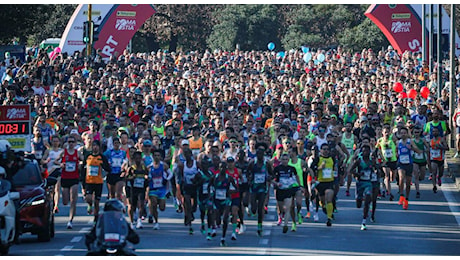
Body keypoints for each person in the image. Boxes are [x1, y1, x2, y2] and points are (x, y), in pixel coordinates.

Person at [348, 144, 378, 230]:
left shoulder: (372, 161)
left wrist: (376, 171)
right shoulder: (359, 161)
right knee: (358, 204)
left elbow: (376, 169)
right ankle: (358, 198)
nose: (366, 153)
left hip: (368, 183)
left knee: (368, 198)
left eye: (367, 151)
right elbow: (351, 171)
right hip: (360, 183)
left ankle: (364, 221)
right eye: (364, 151)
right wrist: (358, 174)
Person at [57, 135, 83, 229]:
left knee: (73, 200)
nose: (71, 144)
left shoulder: (77, 152)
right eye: (69, 142)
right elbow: (56, 161)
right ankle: (70, 217)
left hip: (74, 178)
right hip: (65, 177)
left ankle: (70, 220)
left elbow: (83, 160)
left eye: (72, 142)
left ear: (75, 143)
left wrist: (80, 163)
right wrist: (61, 164)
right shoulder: (64, 152)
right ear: (67, 143)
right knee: (65, 201)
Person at [248, 142, 273, 236]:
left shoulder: (266, 163)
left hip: (263, 188)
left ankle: (259, 226)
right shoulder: (252, 163)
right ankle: (253, 211)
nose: (259, 156)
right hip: (254, 188)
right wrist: (249, 180)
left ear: (263, 154)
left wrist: (270, 178)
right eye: (258, 154)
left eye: (261, 154)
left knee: (260, 208)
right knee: (254, 208)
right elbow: (247, 172)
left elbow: (272, 173)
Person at [83, 140, 111, 223]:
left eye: (96, 146)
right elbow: (83, 169)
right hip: (89, 181)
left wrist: (103, 167)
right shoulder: (88, 156)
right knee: (88, 198)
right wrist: (82, 181)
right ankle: (89, 205)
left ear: (99, 147)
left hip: (99, 182)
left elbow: (108, 168)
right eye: (93, 146)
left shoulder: (102, 157)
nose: (95, 147)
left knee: (97, 201)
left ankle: (96, 216)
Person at [211, 161, 237, 247]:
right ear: (219, 168)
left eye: (224, 167)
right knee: (218, 219)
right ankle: (216, 226)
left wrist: (230, 191)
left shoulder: (229, 178)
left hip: (226, 200)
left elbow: (236, 189)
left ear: (226, 169)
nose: (222, 169)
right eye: (221, 167)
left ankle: (223, 237)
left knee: (225, 219)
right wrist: (211, 194)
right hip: (217, 200)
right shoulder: (215, 177)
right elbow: (209, 187)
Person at [272, 153, 300, 233]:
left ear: (288, 160)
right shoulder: (277, 168)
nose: (285, 161)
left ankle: (285, 225)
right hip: (280, 190)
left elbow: (296, 176)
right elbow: (272, 179)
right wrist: (276, 183)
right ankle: (281, 215)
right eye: (283, 159)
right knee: (281, 209)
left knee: (288, 208)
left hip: (288, 190)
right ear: (280, 160)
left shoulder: (292, 168)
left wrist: (299, 185)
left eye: (286, 160)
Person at [310, 143, 335, 226]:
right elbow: (311, 168)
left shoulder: (332, 158)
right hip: (320, 183)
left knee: (329, 198)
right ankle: (325, 208)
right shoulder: (317, 159)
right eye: (324, 149)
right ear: (320, 150)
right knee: (323, 201)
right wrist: (319, 168)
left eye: (327, 149)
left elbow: (336, 168)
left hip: (330, 182)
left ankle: (329, 218)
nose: (326, 151)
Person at [396, 127, 421, 210]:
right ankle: (401, 195)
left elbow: (418, 151)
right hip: (401, 163)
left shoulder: (410, 142)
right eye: (401, 133)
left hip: (409, 163)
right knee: (401, 178)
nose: (403, 134)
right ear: (399, 134)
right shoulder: (397, 142)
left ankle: (406, 199)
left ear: (407, 134)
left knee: (408, 183)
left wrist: (412, 148)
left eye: (404, 133)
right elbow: (395, 152)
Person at [147, 149, 173, 230]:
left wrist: (167, 179)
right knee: (154, 203)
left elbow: (171, 173)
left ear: (160, 157)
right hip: (153, 189)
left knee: (162, 208)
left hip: (162, 189)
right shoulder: (149, 167)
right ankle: (156, 222)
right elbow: (146, 176)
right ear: (153, 156)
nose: (157, 157)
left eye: (158, 156)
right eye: (155, 155)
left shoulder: (164, 165)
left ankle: (153, 208)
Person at [178, 147, 200, 234]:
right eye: (185, 154)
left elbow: (201, 173)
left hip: (194, 186)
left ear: (191, 155)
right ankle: (188, 216)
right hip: (186, 186)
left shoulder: (196, 164)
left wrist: (197, 179)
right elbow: (180, 176)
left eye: (188, 154)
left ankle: (190, 214)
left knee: (194, 206)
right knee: (187, 202)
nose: (187, 156)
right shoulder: (182, 165)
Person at [125, 151, 149, 229]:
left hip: (141, 188)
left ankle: (139, 220)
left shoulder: (143, 167)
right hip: (133, 189)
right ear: (134, 159)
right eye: (136, 158)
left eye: (139, 158)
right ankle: (132, 222)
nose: (138, 160)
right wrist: (132, 177)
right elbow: (125, 178)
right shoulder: (131, 168)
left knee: (141, 204)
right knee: (132, 206)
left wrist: (146, 178)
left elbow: (147, 175)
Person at [41, 135, 63, 213]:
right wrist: (46, 161)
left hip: (58, 170)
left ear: (59, 142)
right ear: (51, 142)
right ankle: (51, 203)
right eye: (54, 141)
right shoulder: (48, 151)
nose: (55, 143)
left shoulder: (62, 151)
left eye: (57, 141)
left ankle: (56, 206)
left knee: (57, 188)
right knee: (51, 190)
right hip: (50, 171)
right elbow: (42, 160)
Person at [376, 125, 398, 201]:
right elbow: (377, 150)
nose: (386, 134)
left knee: (392, 178)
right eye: (385, 132)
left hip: (393, 160)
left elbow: (397, 146)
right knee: (387, 176)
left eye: (388, 132)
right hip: (385, 161)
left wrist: (397, 153)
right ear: (382, 133)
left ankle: (386, 185)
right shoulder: (380, 140)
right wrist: (381, 158)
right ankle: (389, 192)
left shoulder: (393, 139)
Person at [411, 125, 430, 198]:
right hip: (415, 159)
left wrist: (423, 151)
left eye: (418, 132)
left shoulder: (423, 140)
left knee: (422, 176)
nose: (416, 133)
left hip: (422, 159)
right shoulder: (412, 140)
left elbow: (428, 148)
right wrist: (414, 150)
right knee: (416, 174)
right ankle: (417, 191)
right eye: (415, 132)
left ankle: (419, 179)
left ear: (420, 133)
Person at [429, 127, 449, 193]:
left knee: (440, 172)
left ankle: (439, 178)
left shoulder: (442, 140)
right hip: (433, 159)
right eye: (433, 131)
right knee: (434, 172)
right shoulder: (431, 141)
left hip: (440, 158)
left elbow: (447, 148)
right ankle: (434, 186)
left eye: (436, 131)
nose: (435, 133)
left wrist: (440, 147)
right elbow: (428, 150)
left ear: (438, 132)